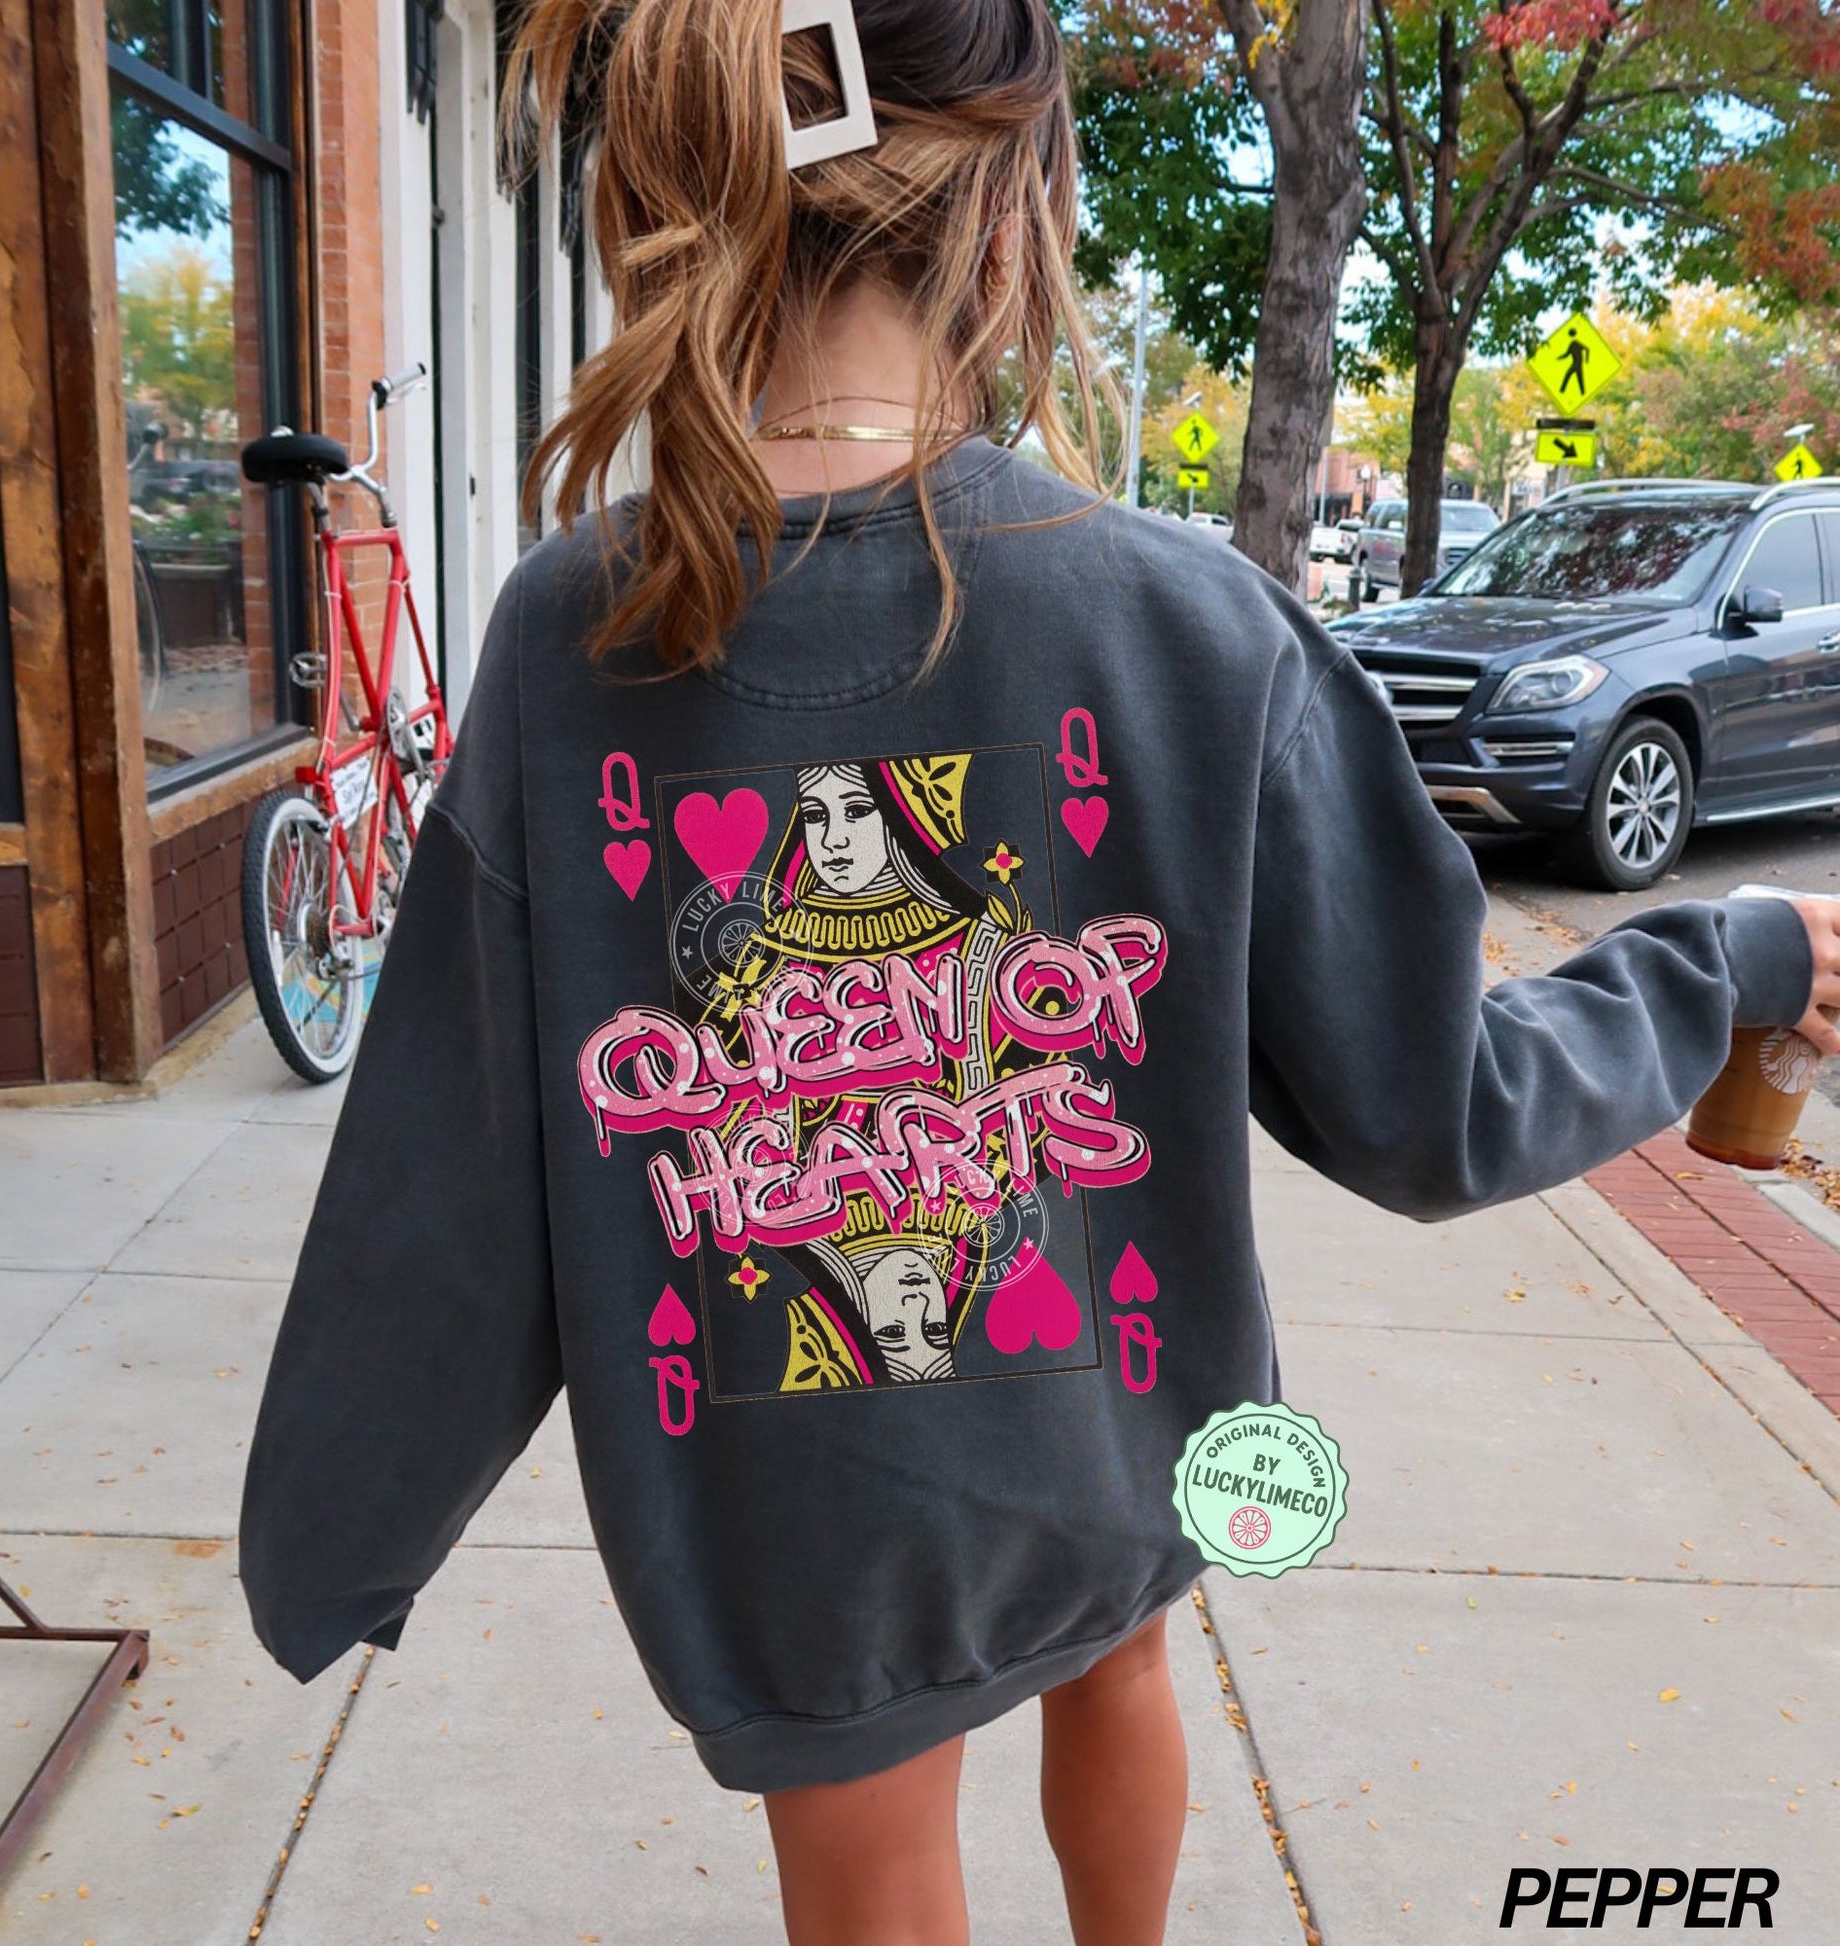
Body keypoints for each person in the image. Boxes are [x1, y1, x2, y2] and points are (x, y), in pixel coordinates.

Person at [236, 3, 1840, 1943]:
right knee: (1127, 1655)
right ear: (1015, 218)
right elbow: (1435, 1102)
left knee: (870, 1844)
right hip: (1116, 1419)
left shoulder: (576, 631)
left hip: (788, 1497)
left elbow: (451, 1166)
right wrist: (1729, 957)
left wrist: (338, 1520)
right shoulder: (1185, 622)